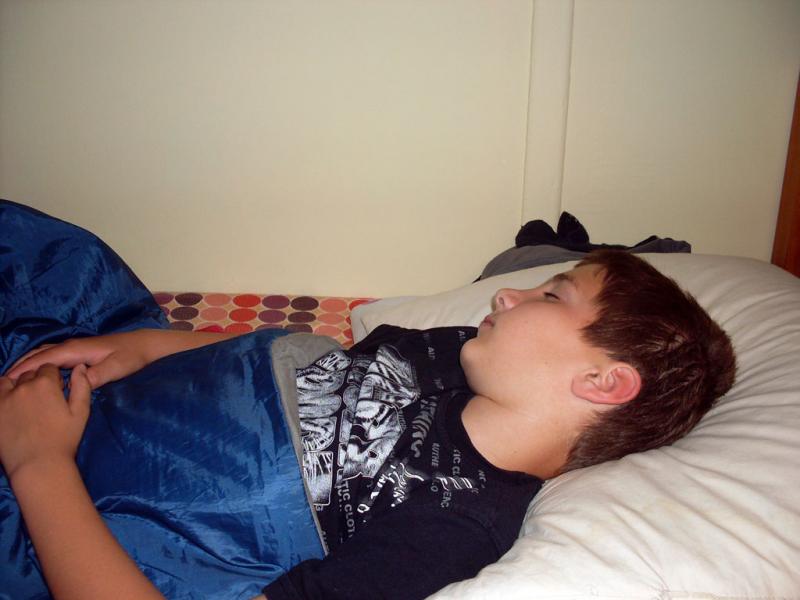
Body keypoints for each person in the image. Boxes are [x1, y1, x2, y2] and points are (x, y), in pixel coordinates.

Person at [0, 201, 736, 600]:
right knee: (49, 261)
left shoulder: (453, 531)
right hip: (142, 384)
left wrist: (39, 463)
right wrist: (146, 347)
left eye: (553, 294)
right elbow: (304, 365)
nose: (506, 295)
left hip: (84, 487)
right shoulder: (456, 350)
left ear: (603, 381)